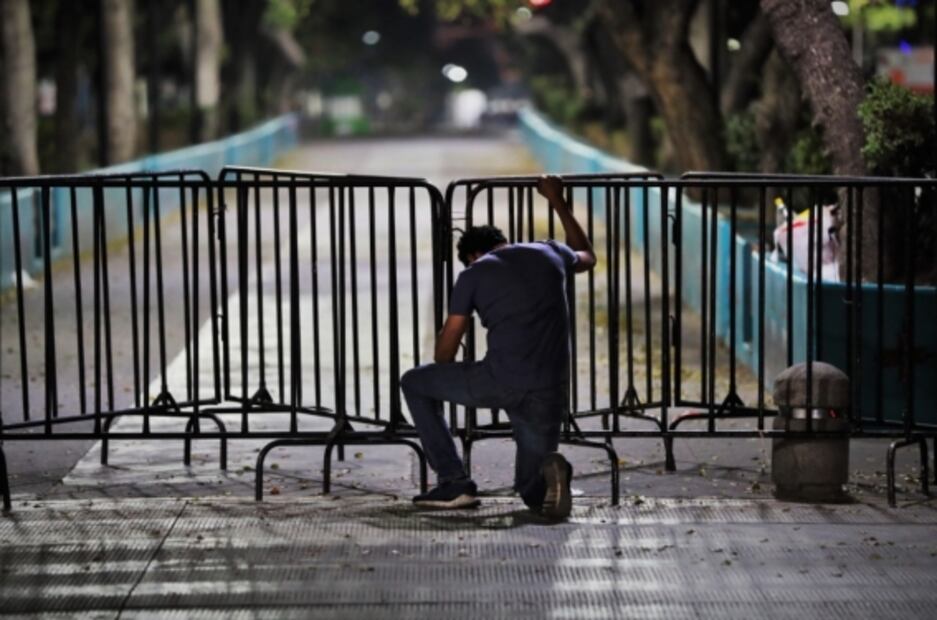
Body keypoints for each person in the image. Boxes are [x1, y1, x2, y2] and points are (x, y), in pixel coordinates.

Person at [400, 175, 596, 519]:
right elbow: (588, 256)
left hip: (499, 379)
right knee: (532, 492)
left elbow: (444, 355)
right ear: (504, 240)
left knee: (415, 382)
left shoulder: (474, 273)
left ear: (473, 255)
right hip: (550, 389)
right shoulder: (551, 252)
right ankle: (553, 472)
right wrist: (557, 200)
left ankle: (454, 481)